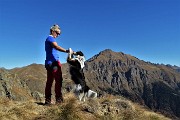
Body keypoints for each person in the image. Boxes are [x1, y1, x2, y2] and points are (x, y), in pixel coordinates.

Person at [44, 24, 70, 105]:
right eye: (57, 33)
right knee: (58, 81)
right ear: (52, 31)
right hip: (54, 63)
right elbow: (56, 47)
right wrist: (67, 51)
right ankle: (59, 101)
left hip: (48, 63)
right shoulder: (50, 38)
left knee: (49, 82)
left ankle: (47, 101)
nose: (58, 35)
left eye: (59, 33)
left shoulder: (48, 39)